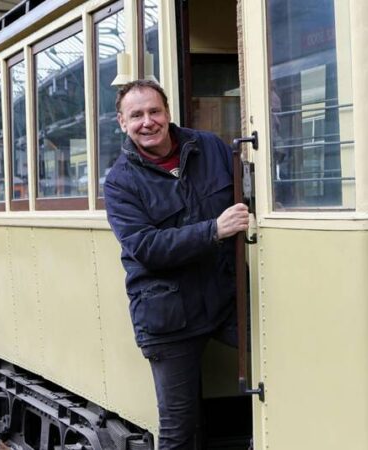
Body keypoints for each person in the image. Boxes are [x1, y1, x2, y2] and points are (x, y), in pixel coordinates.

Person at [103, 79, 249, 450]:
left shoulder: (211, 148)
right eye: (136, 115)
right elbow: (146, 247)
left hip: (225, 298)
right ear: (122, 123)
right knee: (179, 429)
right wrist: (214, 230)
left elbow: (249, 194)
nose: (147, 121)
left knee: (284, 363)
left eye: (154, 111)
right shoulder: (120, 182)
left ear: (168, 114)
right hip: (169, 314)